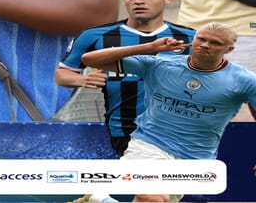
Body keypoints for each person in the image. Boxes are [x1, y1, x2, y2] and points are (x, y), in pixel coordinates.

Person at [82, 22, 256, 203]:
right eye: (201, 39)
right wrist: (150, 47)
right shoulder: (160, 64)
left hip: (195, 157)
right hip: (149, 144)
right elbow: (89, 59)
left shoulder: (245, 81)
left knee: (156, 201)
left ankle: (97, 198)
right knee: (153, 197)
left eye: (215, 43)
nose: (205, 45)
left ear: (229, 49)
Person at [55, 0, 196, 154]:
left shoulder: (190, 38)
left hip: (179, 132)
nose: (139, 1)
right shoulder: (94, 36)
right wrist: (82, 79)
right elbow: (62, 73)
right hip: (124, 131)